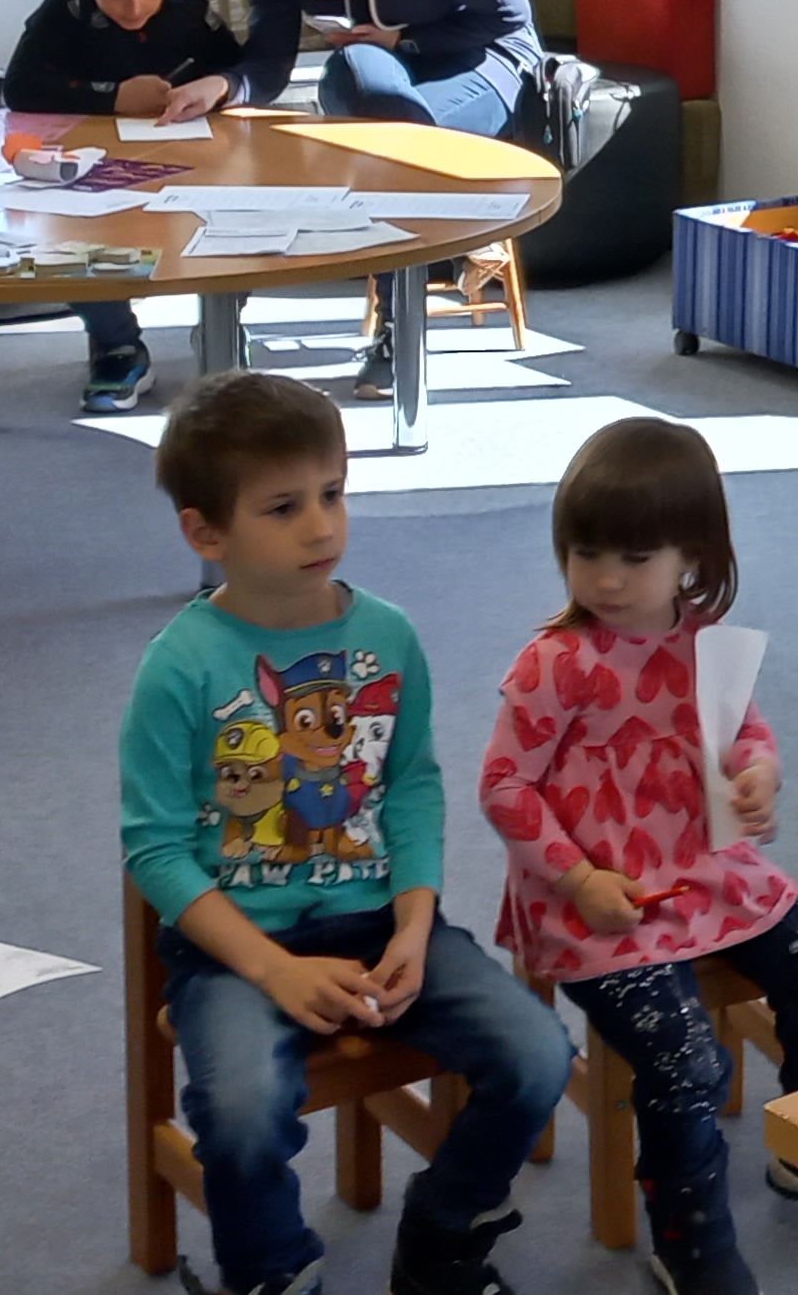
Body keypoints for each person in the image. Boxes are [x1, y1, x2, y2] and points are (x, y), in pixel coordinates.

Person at [122, 372, 571, 1295]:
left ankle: (443, 1229)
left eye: (333, 493)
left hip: (380, 926)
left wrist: (414, 924)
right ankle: (272, 1273)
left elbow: (411, 790)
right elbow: (156, 852)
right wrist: (271, 969)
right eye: (283, 507)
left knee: (538, 1055)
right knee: (241, 1110)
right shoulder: (178, 667)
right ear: (206, 533)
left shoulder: (388, 638)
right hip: (238, 951)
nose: (322, 526)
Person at [475, 418, 798, 1295]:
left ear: (692, 555)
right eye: (586, 554)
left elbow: (747, 733)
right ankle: (686, 1237)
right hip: (596, 896)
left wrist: (760, 772)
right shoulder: (555, 662)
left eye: (635, 558)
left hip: (707, 870)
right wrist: (580, 878)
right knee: (685, 1054)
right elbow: (505, 787)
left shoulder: (705, 640)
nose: (606, 579)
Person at [227, 0, 545, 400]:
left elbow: (508, 15)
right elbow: (269, 62)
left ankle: (400, 330)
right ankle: (459, 213)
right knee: (354, 80)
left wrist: (405, 39)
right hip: (387, 67)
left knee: (390, 144)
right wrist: (225, 86)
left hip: (484, 58)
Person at [5, 0, 244, 412]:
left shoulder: (192, 17)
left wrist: (212, 88)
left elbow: (240, 76)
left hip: (189, 162)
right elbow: (19, 87)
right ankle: (116, 344)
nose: (134, 7)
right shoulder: (65, 11)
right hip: (90, 170)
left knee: (238, 212)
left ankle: (224, 325)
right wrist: (112, 96)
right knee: (68, 234)